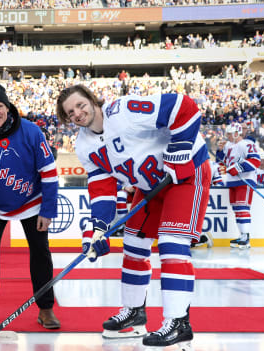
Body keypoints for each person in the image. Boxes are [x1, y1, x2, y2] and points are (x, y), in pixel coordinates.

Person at [56, 85, 211, 347]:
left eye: (80, 105)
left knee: (172, 245)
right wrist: (99, 228)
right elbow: (102, 188)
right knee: (133, 245)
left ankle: (178, 322)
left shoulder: (123, 111)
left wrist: (180, 150)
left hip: (186, 175)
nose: (78, 113)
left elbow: (183, 107)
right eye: (71, 112)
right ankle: (134, 311)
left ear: (93, 100)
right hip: (151, 187)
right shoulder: (83, 145)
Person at [0, 81, 60, 330]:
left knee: (40, 253)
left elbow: (49, 173)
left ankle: (46, 309)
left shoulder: (31, 131)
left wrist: (48, 210)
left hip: (32, 201)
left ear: (7, 107)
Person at [216, 123, 260, 249]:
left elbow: (255, 160)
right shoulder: (228, 145)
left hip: (245, 180)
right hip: (232, 181)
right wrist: (219, 151)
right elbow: (221, 161)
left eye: (230, 134)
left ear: (237, 133)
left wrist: (238, 168)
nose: (228, 136)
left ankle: (246, 237)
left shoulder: (247, 144)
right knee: (237, 210)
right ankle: (242, 236)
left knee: (242, 208)